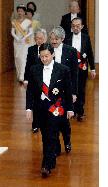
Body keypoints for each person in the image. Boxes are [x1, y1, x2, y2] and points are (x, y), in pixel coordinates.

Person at [26, 43, 74, 177]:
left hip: (56, 108)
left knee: (52, 135)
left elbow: (68, 91)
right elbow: (30, 91)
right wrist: (29, 108)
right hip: (40, 108)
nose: (44, 59)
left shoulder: (63, 70)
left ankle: (46, 165)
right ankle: (51, 160)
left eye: (47, 56)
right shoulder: (34, 69)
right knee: (46, 136)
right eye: (42, 57)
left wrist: (70, 108)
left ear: (52, 54)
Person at [49, 26, 78, 155]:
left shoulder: (71, 51)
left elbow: (75, 74)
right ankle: (56, 146)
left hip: (66, 91)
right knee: (52, 120)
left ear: (62, 38)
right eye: (52, 38)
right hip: (51, 91)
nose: (53, 41)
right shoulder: (47, 50)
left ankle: (67, 141)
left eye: (56, 39)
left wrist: (74, 93)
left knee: (64, 121)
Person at [64, 17, 96, 121]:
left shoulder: (86, 38)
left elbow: (90, 54)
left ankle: (80, 112)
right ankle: (71, 110)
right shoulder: (67, 38)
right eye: (73, 26)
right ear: (71, 27)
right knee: (70, 89)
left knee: (81, 90)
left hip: (82, 68)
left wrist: (93, 69)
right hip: (70, 69)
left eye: (78, 26)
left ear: (81, 26)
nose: (75, 28)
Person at [24, 28, 47, 133]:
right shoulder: (31, 49)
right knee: (35, 102)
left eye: (41, 38)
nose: (39, 40)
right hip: (34, 80)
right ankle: (35, 124)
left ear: (45, 38)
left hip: (46, 79)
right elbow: (28, 65)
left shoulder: (49, 49)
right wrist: (26, 79)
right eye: (37, 38)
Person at [11, 4, 33, 83]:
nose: (20, 12)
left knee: (23, 58)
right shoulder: (14, 22)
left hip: (24, 42)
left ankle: (22, 76)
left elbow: (31, 32)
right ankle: (19, 74)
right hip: (17, 42)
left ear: (24, 12)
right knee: (17, 58)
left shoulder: (28, 22)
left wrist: (24, 37)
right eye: (18, 11)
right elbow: (12, 32)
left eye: (21, 11)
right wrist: (16, 38)